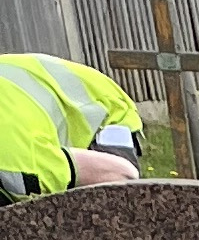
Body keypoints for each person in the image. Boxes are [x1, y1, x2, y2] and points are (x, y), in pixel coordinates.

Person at [0, 52, 143, 197]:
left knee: (115, 201)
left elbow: (125, 174)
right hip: (30, 87)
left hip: (105, 106)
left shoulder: (19, 169)